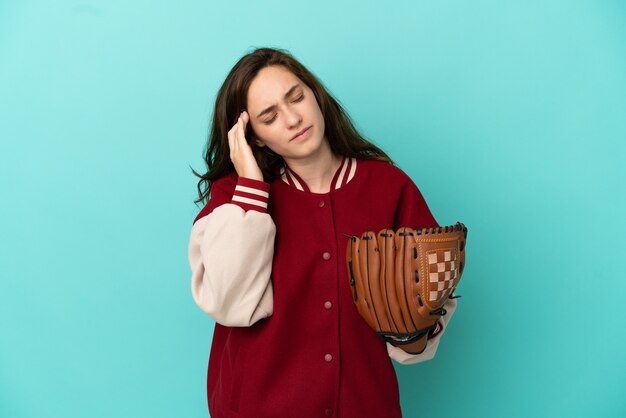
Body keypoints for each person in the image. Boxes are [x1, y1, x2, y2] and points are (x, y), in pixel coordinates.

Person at [188, 47, 458, 418]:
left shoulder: (389, 187)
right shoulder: (231, 198)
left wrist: (411, 333)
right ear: (256, 137)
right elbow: (230, 303)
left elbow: (428, 306)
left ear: (316, 95)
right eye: (270, 116)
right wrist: (250, 185)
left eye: (296, 96)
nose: (293, 118)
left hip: (365, 406)